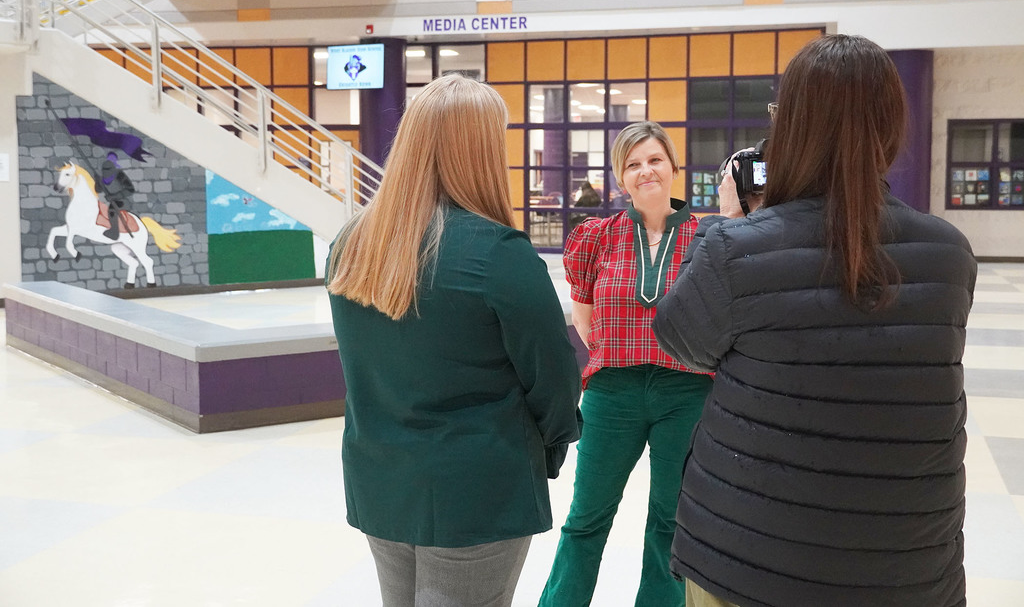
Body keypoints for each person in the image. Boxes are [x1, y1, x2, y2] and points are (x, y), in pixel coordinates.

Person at [653, 34, 977, 607]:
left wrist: (725, 224)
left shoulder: (737, 246)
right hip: (906, 562)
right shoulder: (950, 254)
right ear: (891, 125)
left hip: (747, 558)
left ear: (793, 126)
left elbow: (683, 341)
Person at [325, 73, 582, 607]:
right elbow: (554, 379)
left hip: (381, 478)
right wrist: (550, 447)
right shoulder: (499, 254)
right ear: (482, 150)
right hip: (478, 488)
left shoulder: (351, 245)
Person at [539, 121, 712, 607]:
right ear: (620, 178)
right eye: (632, 164)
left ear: (674, 167)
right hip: (612, 393)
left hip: (688, 391)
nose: (645, 171)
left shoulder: (708, 238)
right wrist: (627, 351)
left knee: (671, 520)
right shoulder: (596, 237)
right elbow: (586, 322)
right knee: (586, 517)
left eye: (654, 159)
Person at [94, 151, 134, 240]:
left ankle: (114, 232)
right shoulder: (102, 178)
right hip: (112, 201)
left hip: (122, 202)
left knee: (112, 209)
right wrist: (97, 181)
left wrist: (114, 197)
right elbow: (98, 190)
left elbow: (130, 189)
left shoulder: (119, 175)